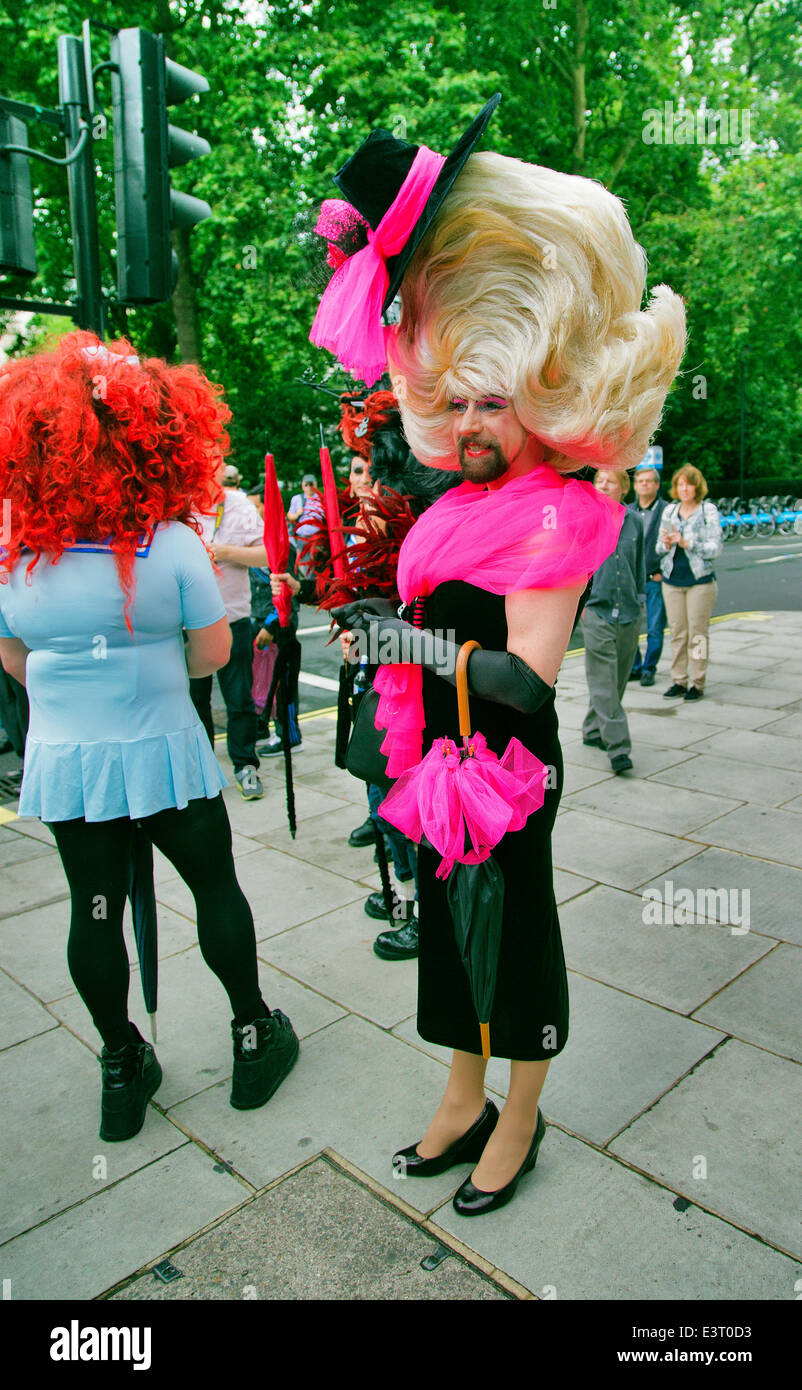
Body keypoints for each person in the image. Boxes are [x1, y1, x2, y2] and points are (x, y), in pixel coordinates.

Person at [314, 96, 685, 1214]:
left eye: (496, 401)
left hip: (510, 764)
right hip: (433, 758)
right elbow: (426, 625)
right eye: (457, 399)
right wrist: (368, 622)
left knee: (514, 932)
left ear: (539, 402)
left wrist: (406, 643)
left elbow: (524, 677)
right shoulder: (443, 510)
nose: (472, 421)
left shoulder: (558, 518)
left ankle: (520, 1112)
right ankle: (460, 1090)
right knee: (441, 931)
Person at [0, 331, 298, 1142]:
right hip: (165, 748)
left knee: (92, 913)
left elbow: (14, 659)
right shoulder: (171, 544)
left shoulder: (15, 554)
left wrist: (76, 689)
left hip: (68, 762)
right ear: (153, 443)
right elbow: (214, 653)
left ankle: (121, 1064)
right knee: (214, 888)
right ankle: (251, 1036)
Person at [190, 460, 269, 799]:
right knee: (194, 702)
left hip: (232, 618)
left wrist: (225, 552)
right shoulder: (178, 505)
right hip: (188, 623)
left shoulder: (239, 505)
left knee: (239, 698)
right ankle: (201, 769)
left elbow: (268, 555)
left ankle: (245, 765)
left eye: (213, 464)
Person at [580, 470, 646, 773]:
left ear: (623, 487)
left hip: (629, 611)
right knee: (603, 681)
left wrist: (641, 601)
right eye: (599, 480)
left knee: (617, 680)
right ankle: (618, 748)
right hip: (596, 611)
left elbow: (639, 565)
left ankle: (593, 730)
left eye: (610, 480)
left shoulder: (635, 522)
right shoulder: (585, 520)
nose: (603, 484)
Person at [656, 465, 722, 701]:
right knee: (677, 633)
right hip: (672, 580)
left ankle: (698, 681)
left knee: (698, 634)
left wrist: (687, 543)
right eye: (680, 484)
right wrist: (665, 543)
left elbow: (715, 548)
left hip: (700, 581)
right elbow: (658, 548)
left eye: (689, 483)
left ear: (697, 486)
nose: (684, 488)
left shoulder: (707, 510)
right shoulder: (670, 511)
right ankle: (679, 680)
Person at [627, 463, 667, 687]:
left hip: (654, 579)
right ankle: (634, 666)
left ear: (657, 485)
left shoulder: (666, 510)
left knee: (654, 627)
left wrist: (661, 571)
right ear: (635, 485)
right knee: (630, 625)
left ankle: (649, 668)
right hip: (631, 579)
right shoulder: (628, 511)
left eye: (648, 481)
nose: (643, 484)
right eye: (640, 481)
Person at [287, 474, 325, 576]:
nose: (309, 487)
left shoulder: (322, 499)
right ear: (303, 486)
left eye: (311, 484)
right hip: (303, 537)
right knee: (305, 563)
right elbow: (289, 516)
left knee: (317, 563)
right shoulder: (297, 499)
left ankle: (313, 582)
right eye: (306, 484)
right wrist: (297, 514)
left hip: (318, 537)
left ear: (316, 485)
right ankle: (309, 582)